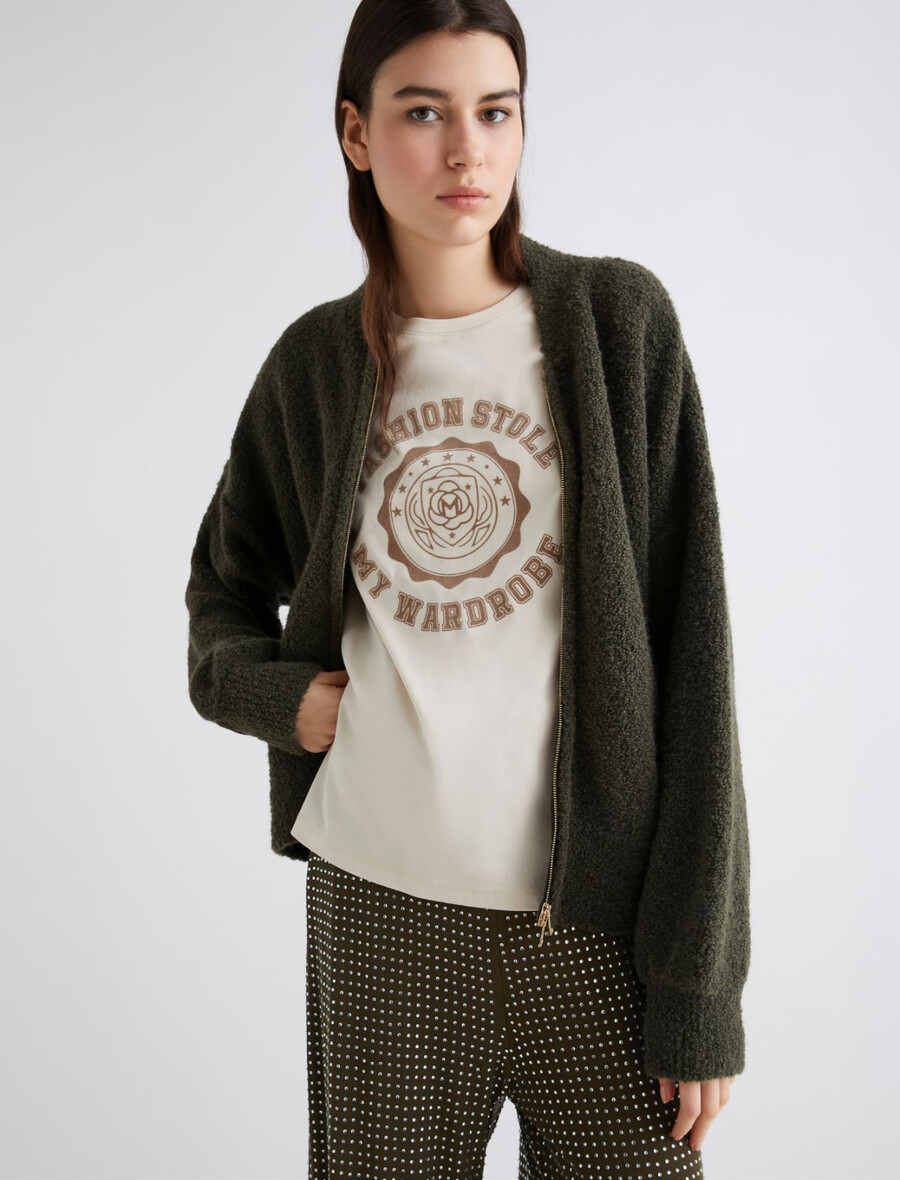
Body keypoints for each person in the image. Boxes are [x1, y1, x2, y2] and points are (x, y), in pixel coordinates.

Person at [184, 1, 751, 1176]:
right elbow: (220, 596)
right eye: (423, 112)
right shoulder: (314, 366)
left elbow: (697, 663)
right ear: (356, 133)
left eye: (495, 112)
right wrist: (286, 703)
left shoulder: (616, 326)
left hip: (595, 930)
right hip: (380, 914)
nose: (466, 151)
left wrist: (700, 987)